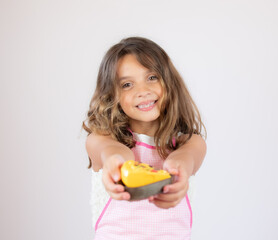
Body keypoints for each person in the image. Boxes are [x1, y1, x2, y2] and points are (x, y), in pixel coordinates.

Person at [82, 36, 206, 239]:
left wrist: (177, 172)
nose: (143, 91)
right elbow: (114, 153)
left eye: (151, 78)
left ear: (170, 82)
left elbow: (185, 159)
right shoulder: (101, 139)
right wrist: (116, 164)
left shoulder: (190, 143)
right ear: (111, 96)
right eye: (127, 85)